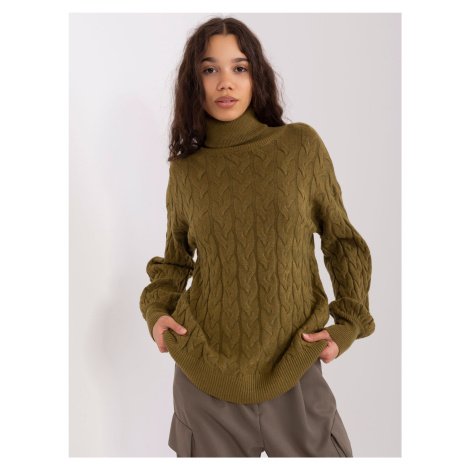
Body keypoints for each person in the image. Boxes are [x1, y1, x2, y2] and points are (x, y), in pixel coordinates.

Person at [139, 16, 376, 458]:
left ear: (256, 77)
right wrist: (156, 313)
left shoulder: (300, 147)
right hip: (204, 376)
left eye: (239, 68)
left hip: (295, 368)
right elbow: (175, 261)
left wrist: (349, 322)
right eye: (210, 69)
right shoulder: (186, 170)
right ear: (194, 82)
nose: (225, 82)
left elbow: (342, 241)